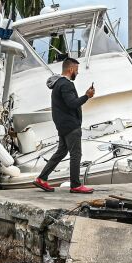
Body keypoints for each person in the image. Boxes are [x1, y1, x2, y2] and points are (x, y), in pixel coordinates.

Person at [34, 57, 96, 193]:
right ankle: (75, 185)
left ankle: (42, 178)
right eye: (77, 70)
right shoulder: (66, 84)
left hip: (62, 125)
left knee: (61, 152)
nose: (77, 73)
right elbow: (72, 103)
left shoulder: (58, 84)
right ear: (71, 69)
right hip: (70, 126)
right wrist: (87, 96)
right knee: (76, 154)